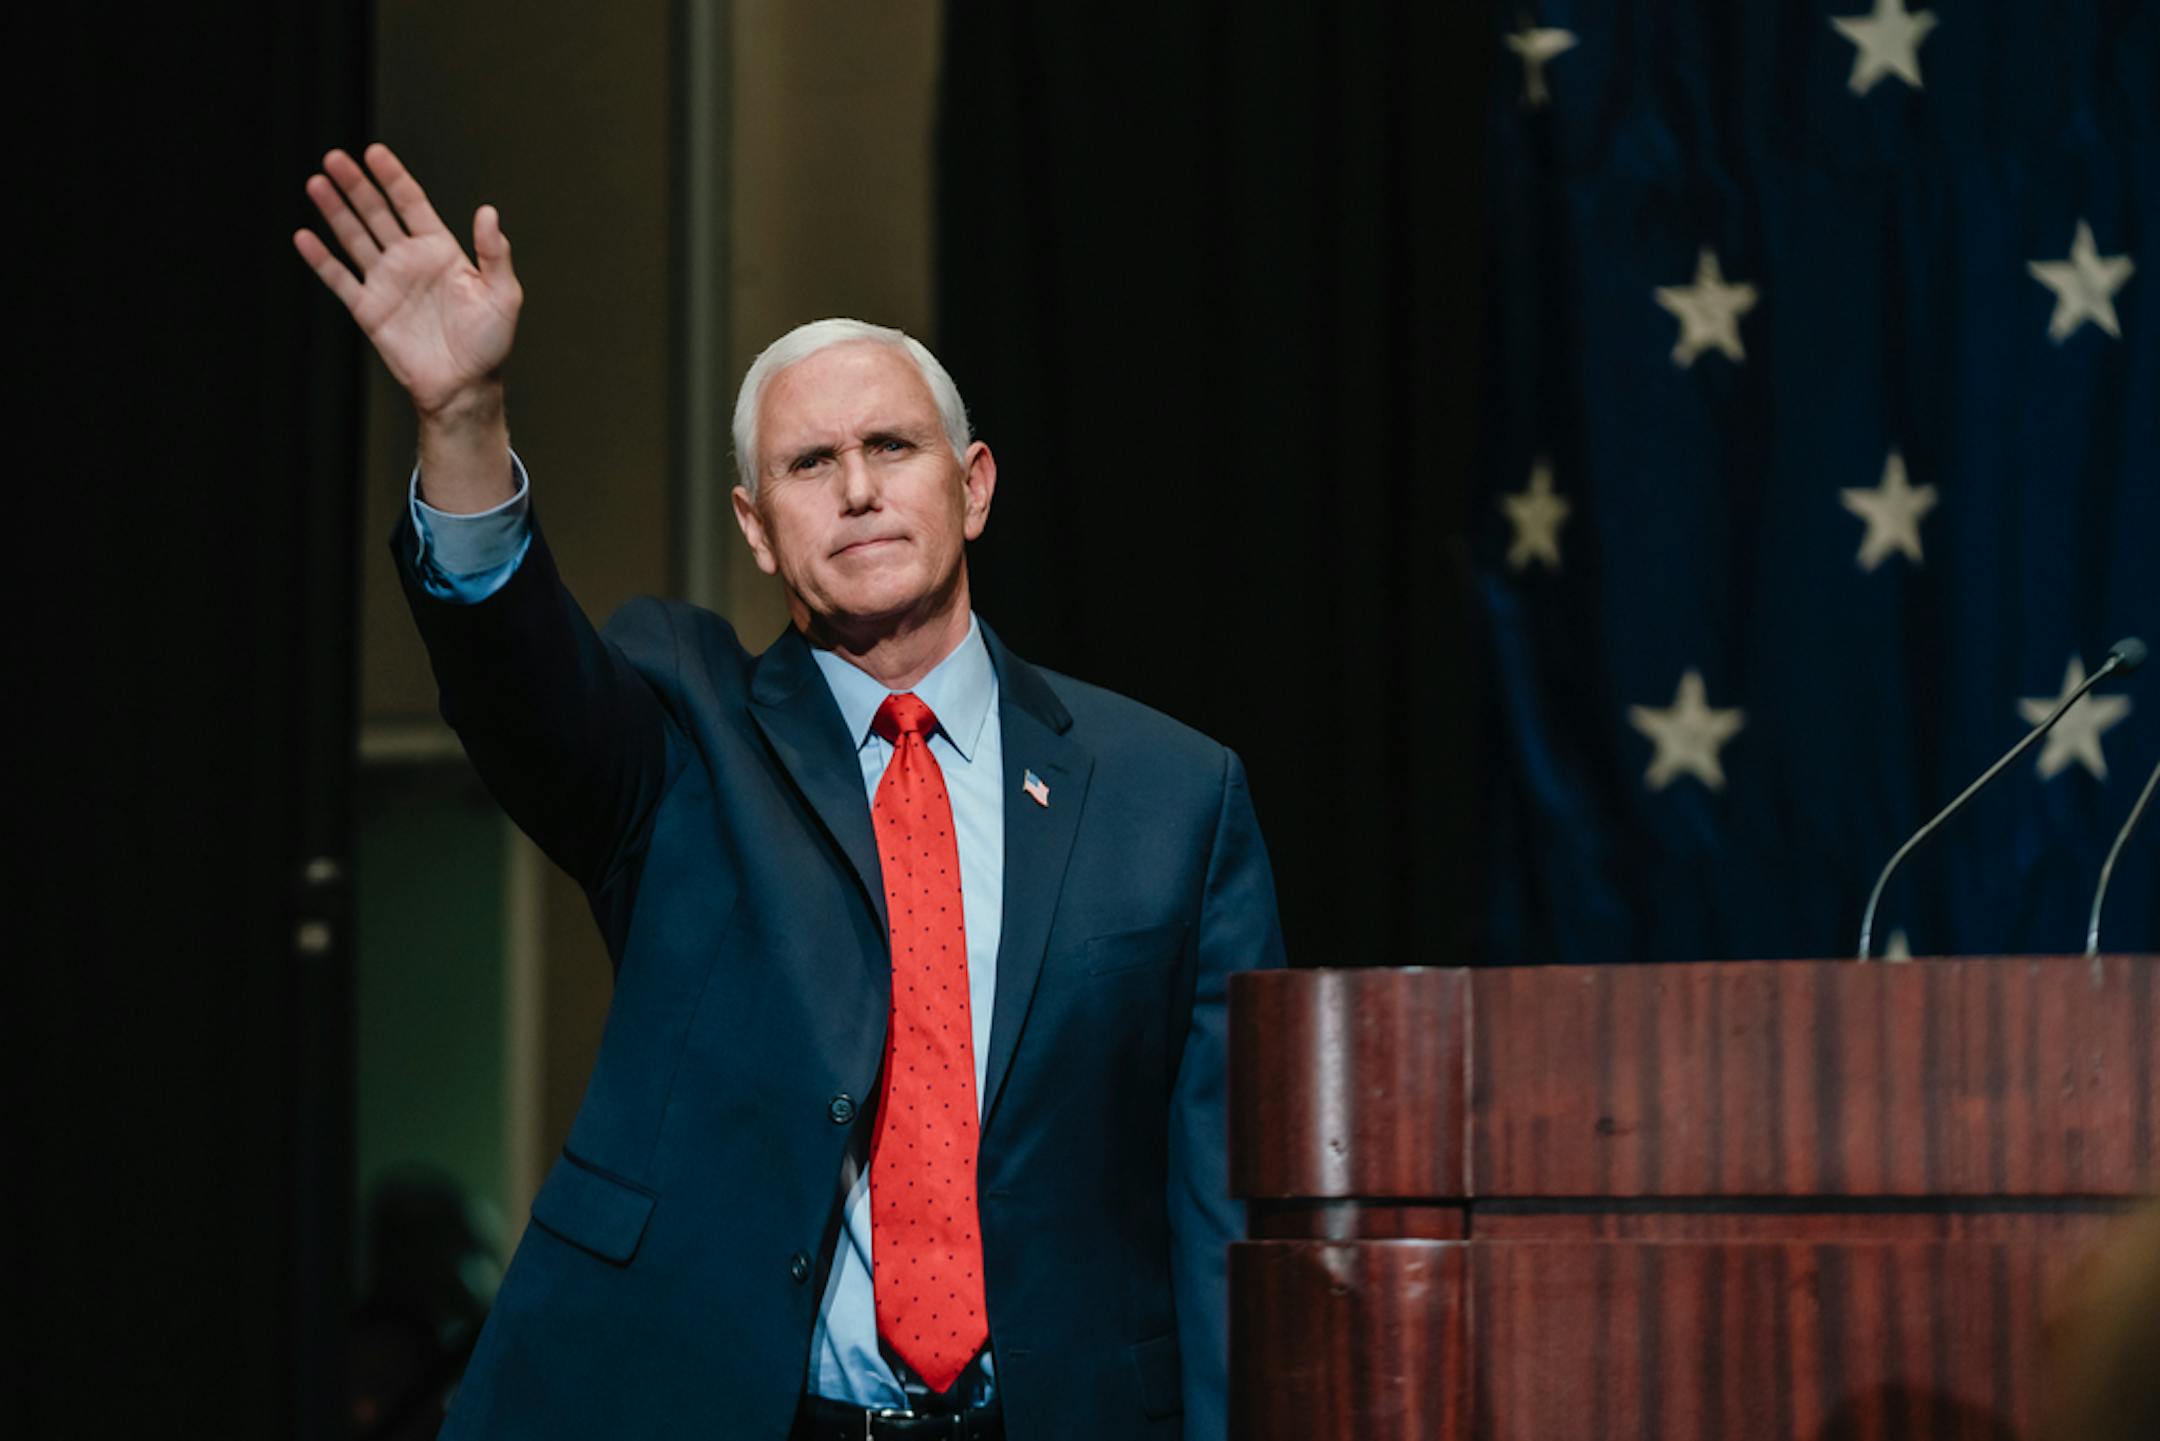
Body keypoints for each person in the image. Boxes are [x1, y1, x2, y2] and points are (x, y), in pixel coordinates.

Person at [295, 143, 1286, 1441]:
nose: (861, 486)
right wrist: (465, 422)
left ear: (972, 486)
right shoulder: (679, 724)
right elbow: (522, 687)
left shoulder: (1174, 793)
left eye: (891, 445)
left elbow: (1224, 1202)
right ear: (757, 526)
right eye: (811, 463)